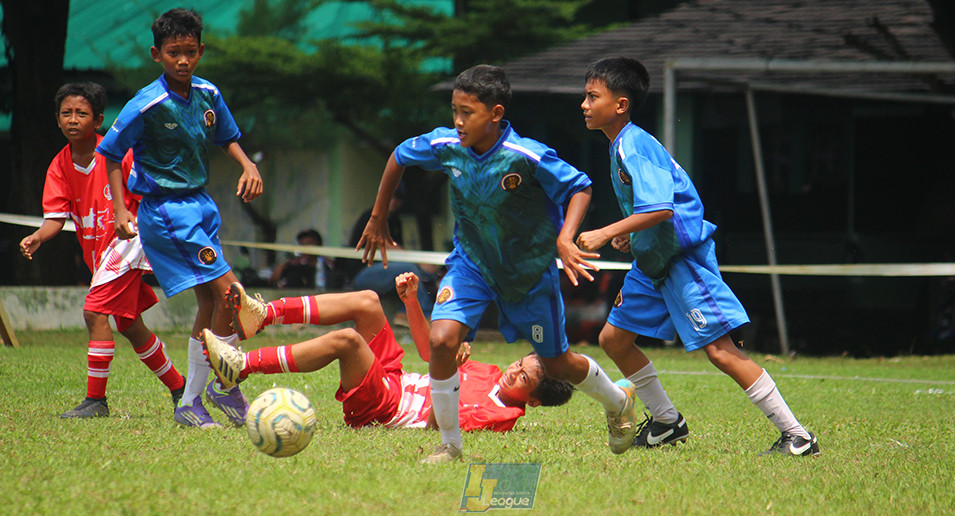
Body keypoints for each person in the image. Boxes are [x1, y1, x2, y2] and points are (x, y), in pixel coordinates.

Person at [357, 64, 637, 463]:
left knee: (556, 364)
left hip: (528, 275)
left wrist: (564, 238)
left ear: (495, 114)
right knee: (442, 341)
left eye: (467, 112)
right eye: (454, 110)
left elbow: (580, 187)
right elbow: (399, 156)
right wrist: (377, 217)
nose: (457, 121)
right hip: (471, 266)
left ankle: (617, 401)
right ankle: (450, 445)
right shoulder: (447, 144)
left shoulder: (525, 155)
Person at [576, 57, 819, 456]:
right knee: (614, 339)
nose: (584, 104)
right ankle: (667, 422)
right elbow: (650, 212)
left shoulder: (634, 143)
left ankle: (798, 436)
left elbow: (661, 209)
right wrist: (631, 236)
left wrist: (605, 231)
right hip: (653, 261)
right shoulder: (621, 144)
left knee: (720, 351)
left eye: (592, 96)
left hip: (681, 259)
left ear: (620, 104)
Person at [96, 8, 263, 429]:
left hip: (201, 204)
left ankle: (191, 402)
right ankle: (224, 386)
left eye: (190, 51)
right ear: (157, 54)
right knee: (232, 295)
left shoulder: (208, 93)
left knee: (212, 301)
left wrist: (248, 165)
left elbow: (227, 137)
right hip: (167, 211)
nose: (183, 60)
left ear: (201, 50)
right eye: (174, 53)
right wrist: (119, 210)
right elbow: (111, 154)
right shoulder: (146, 103)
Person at [205, 272, 574, 433]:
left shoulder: (503, 415)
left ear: (533, 401)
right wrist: (412, 302)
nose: (513, 371)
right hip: (393, 378)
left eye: (523, 377)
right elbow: (431, 354)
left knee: (348, 341)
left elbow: (438, 424)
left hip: (385, 407)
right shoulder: (491, 372)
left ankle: (241, 366)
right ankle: (265, 314)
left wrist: (450, 376)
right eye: (519, 363)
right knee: (368, 302)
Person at [19, 83, 186, 419]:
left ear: (98, 120)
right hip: (98, 254)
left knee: (94, 313)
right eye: (66, 113)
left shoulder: (118, 154)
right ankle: (181, 388)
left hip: (128, 244)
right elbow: (55, 218)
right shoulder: (59, 165)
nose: (73, 119)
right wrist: (38, 236)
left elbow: (147, 196)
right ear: (57, 120)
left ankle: (96, 401)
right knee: (129, 324)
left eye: (81, 113)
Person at [339, 184, 437, 315]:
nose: (394, 201)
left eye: (399, 198)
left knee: (427, 274)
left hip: (385, 272)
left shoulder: (395, 221)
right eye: (391, 196)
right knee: (408, 269)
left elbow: (398, 251)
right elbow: (387, 246)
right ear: (382, 197)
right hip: (361, 274)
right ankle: (422, 312)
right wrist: (420, 262)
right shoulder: (372, 217)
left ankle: (426, 311)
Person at [269, 228, 339, 290]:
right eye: (302, 244)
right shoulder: (294, 266)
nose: (306, 248)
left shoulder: (329, 265)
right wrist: (282, 266)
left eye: (309, 243)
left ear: (319, 244)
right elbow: (274, 281)